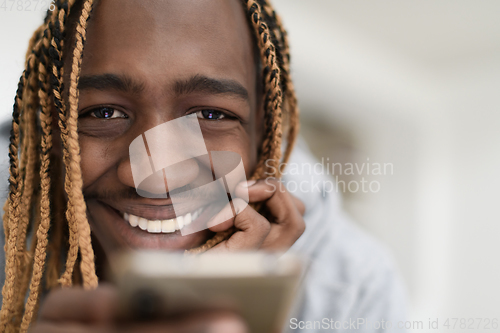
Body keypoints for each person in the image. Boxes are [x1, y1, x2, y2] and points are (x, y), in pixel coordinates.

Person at [0, 0, 408, 332]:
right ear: (54, 132)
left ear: (263, 135)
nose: (158, 176)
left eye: (210, 116)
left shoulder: (354, 287)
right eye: (105, 112)